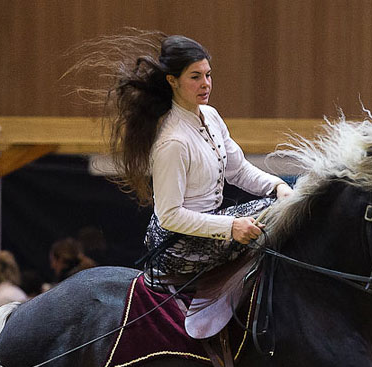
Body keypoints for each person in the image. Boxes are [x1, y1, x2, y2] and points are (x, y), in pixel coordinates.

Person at [93, 33, 292, 282]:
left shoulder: (211, 115)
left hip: (211, 227)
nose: (206, 84)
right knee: (276, 214)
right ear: (172, 81)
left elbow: (239, 171)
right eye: (195, 77)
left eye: (208, 75)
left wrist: (279, 186)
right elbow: (169, 216)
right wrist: (231, 227)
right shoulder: (173, 142)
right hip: (176, 244)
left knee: (286, 206)